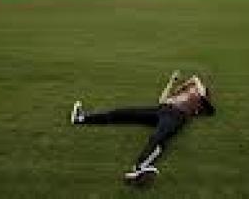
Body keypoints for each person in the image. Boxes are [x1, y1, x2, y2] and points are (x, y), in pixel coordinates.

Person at [69, 70, 215, 183]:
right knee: (122, 113)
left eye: (195, 87)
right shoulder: (180, 92)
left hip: (176, 115)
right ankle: (81, 118)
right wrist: (171, 82)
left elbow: (208, 107)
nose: (192, 87)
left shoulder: (199, 100)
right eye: (192, 87)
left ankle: (140, 167)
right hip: (160, 110)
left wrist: (195, 80)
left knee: (159, 136)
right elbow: (162, 100)